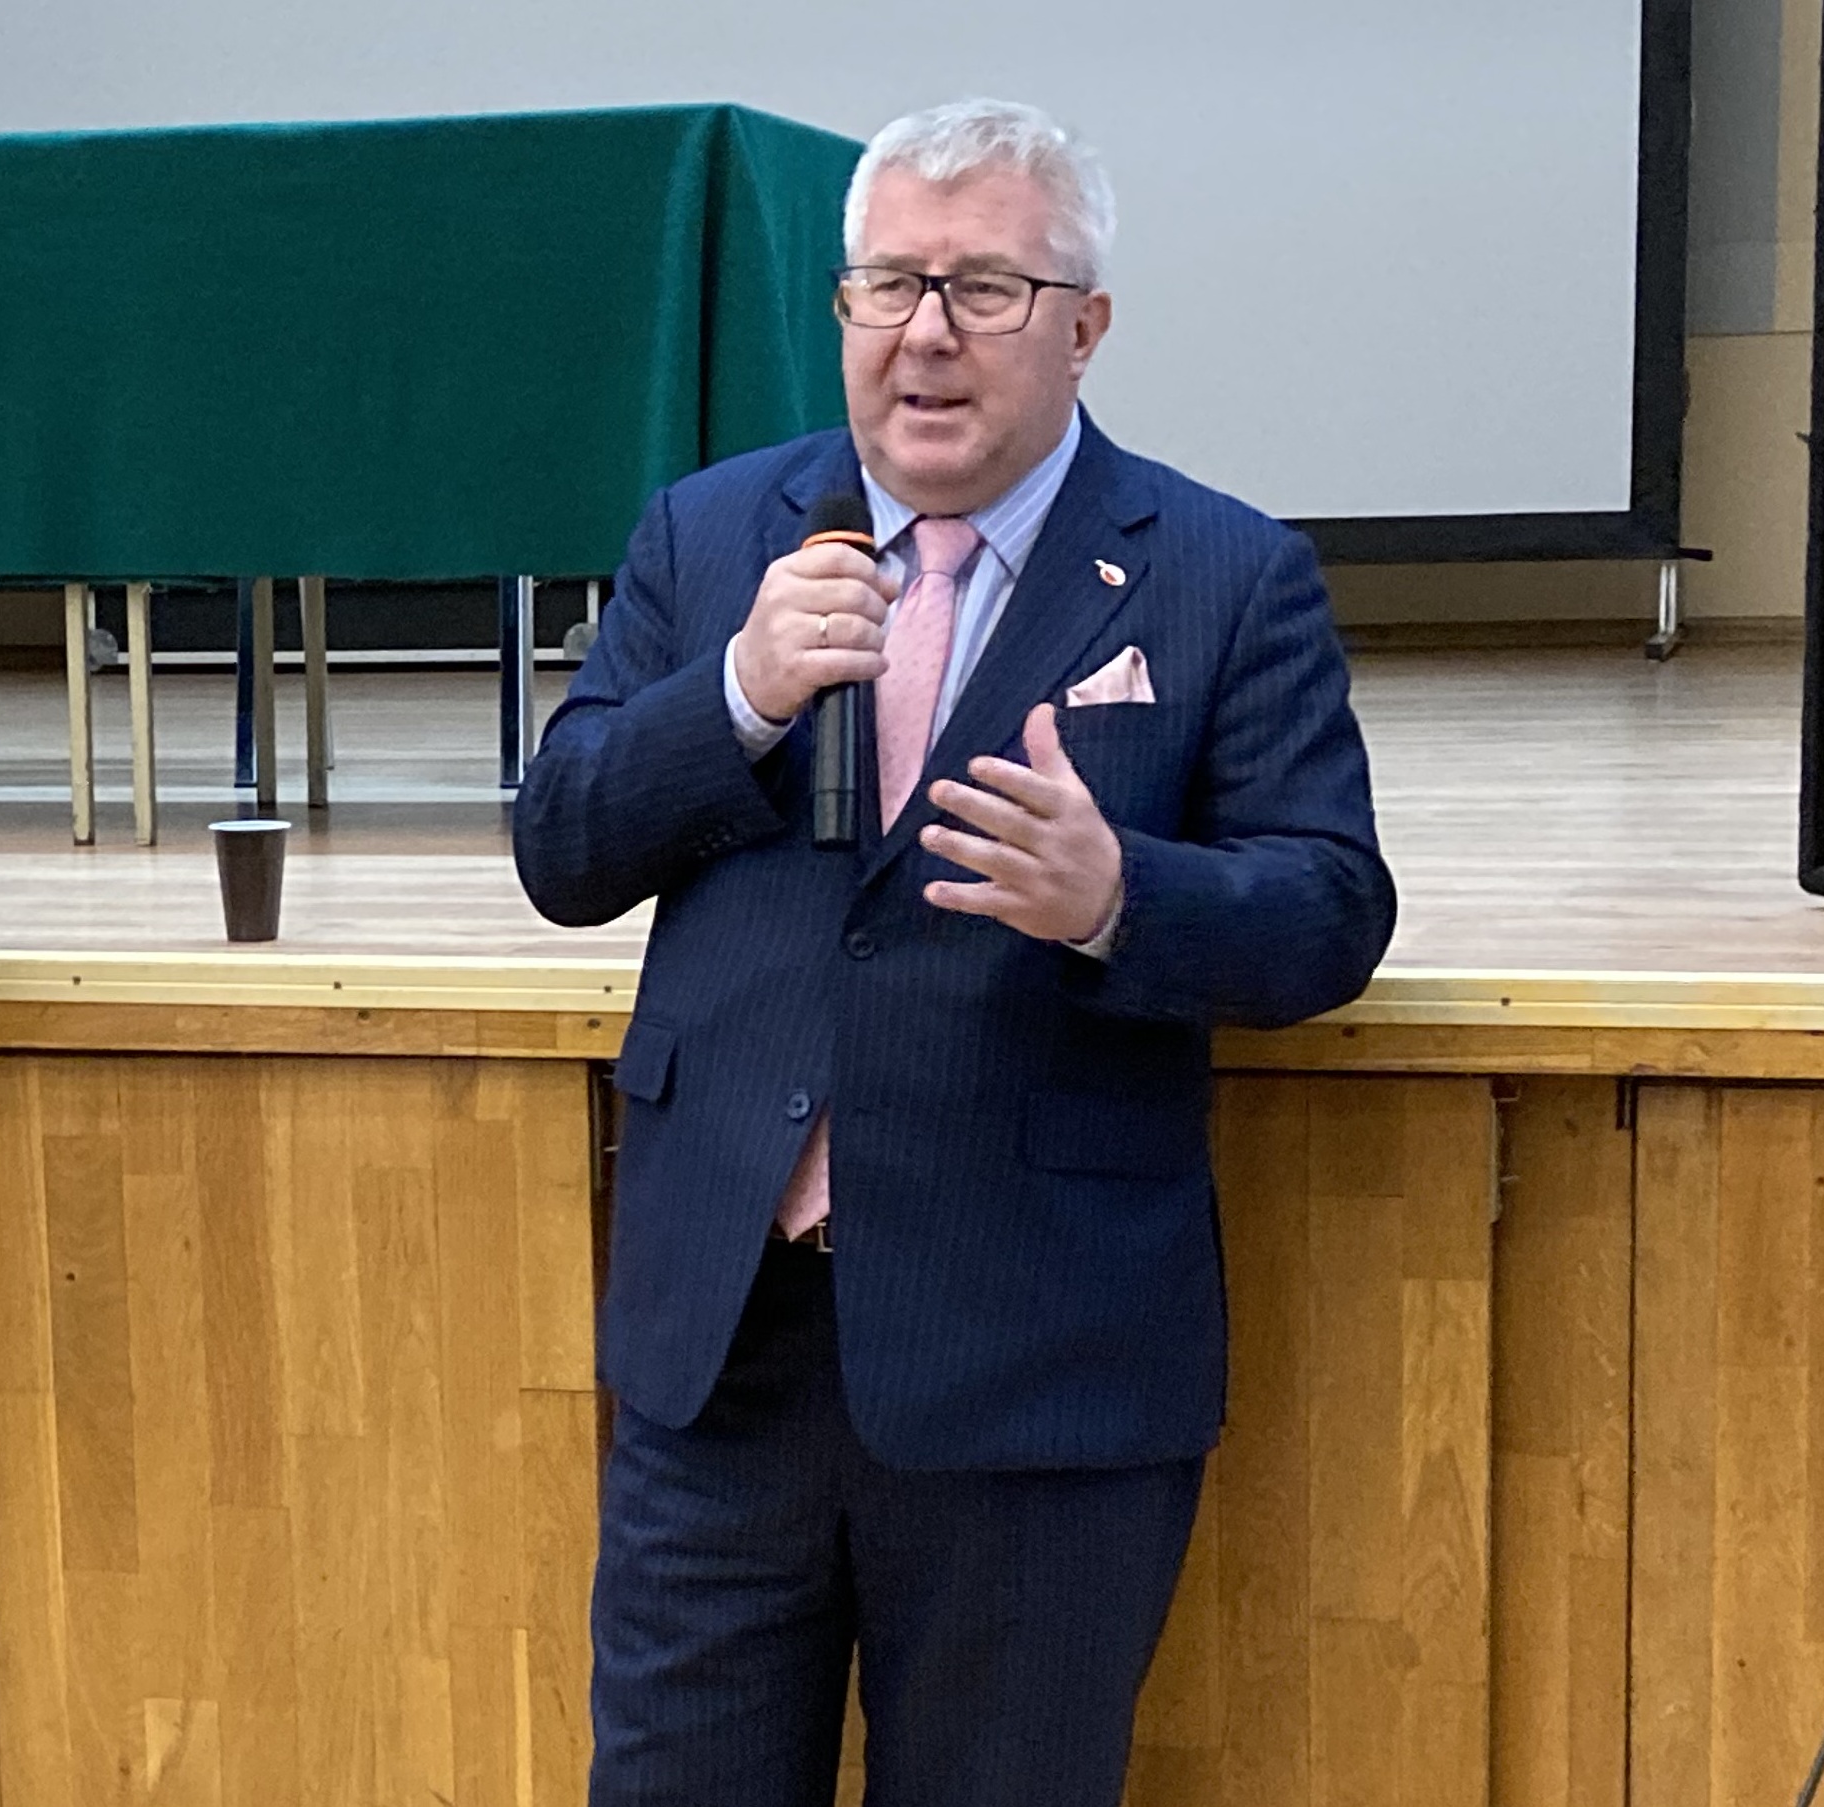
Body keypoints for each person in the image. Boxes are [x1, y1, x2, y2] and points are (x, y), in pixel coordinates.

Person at [511, 98, 1395, 1807]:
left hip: (1033, 1371)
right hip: (728, 1356)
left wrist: (1120, 896)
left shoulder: (1223, 574)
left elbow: (1329, 909)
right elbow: (563, 847)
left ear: (1086, 326)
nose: (925, 333)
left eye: (983, 288)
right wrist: (739, 699)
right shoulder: (713, 542)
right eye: (887, 285)